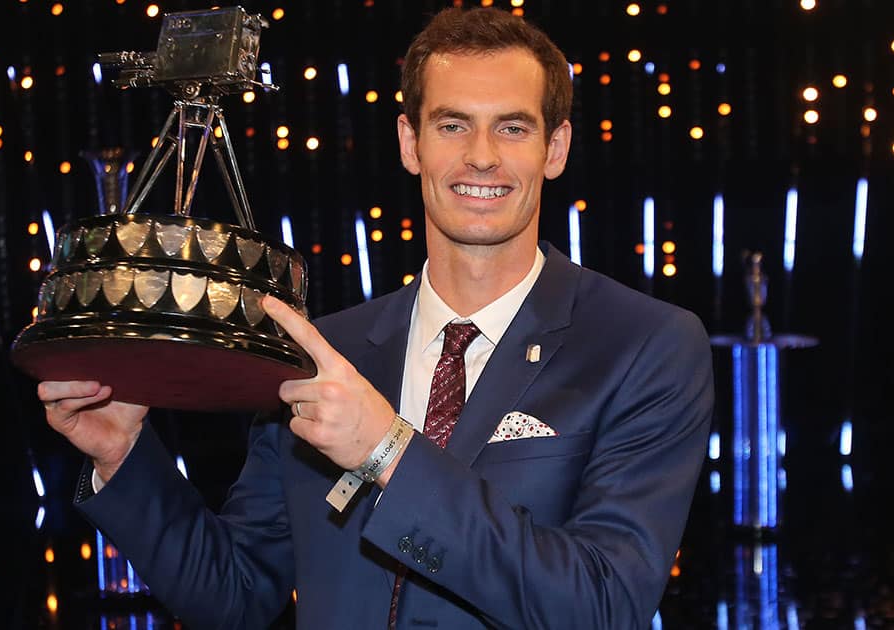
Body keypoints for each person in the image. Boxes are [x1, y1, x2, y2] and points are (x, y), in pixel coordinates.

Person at [40, 7, 713, 629]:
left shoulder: (644, 345)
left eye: (512, 127)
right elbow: (237, 595)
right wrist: (123, 456)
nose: (481, 155)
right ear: (409, 142)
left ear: (556, 148)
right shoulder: (324, 352)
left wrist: (387, 449)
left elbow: (603, 605)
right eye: (452, 125)